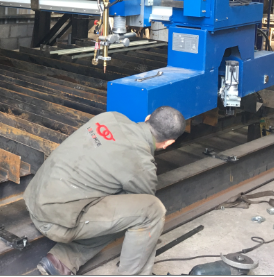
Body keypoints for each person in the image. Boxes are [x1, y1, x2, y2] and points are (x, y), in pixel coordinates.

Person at [24, 106, 186, 276]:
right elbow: (142, 202)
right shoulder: (143, 164)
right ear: (169, 143)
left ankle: (61, 261)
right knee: (150, 211)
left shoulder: (110, 117)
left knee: (121, 206)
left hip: (34, 198)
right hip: (52, 222)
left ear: (148, 117)